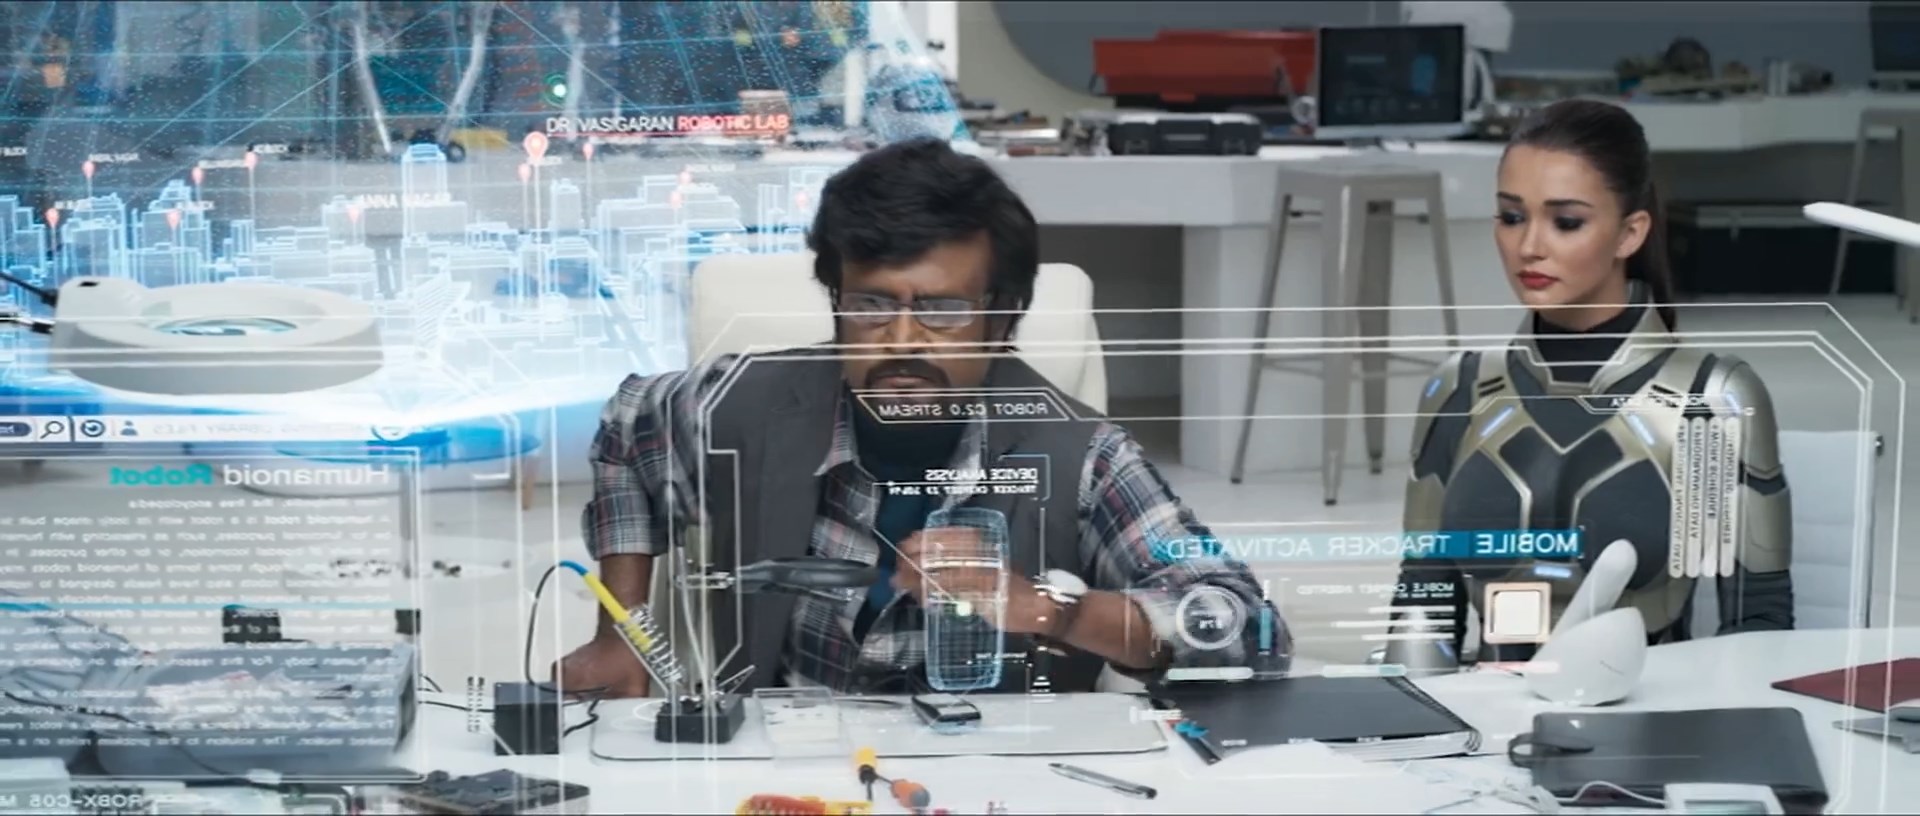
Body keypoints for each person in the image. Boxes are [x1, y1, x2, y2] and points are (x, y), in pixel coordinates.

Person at [555, 138, 1284, 697]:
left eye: (942, 310)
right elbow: (627, 426)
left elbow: (1250, 632)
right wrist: (624, 632)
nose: (903, 341)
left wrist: (1055, 611)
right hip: (788, 770)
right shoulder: (750, 401)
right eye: (872, 306)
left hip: (1005, 779)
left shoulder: (1083, 456)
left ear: (1003, 320)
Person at [1384, 100, 1793, 671]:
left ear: (1630, 233)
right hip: (1484, 714)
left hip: (1653, 713)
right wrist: (1412, 715)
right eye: (1511, 217)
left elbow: (1758, 629)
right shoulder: (1459, 389)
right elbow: (1422, 607)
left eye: (1566, 222)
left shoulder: (1712, 399)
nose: (1529, 246)